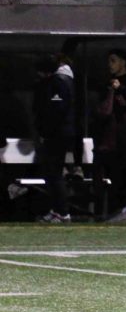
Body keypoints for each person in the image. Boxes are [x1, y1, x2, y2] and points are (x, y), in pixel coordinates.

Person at [94, 48, 126, 223]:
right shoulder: (107, 83)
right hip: (110, 140)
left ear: (123, 62)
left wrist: (121, 89)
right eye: (109, 61)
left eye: (113, 60)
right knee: (116, 175)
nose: (110, 65)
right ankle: (120, 210)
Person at [32, 54, 75, 223]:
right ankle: (57, 210)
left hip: (57, 136)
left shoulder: (58, 83)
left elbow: (56, 111)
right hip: (56, 135)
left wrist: (45, 132)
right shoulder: (59, 81)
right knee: (51, 174)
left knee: (55, 174)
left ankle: (63, 212)